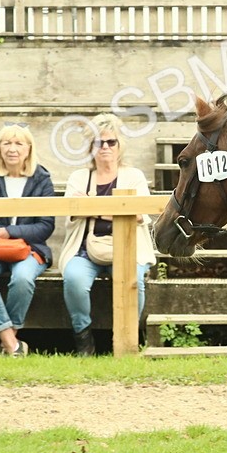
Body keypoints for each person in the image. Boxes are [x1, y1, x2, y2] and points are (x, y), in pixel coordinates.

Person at [59, 114, 156, 356]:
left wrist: (92, 206)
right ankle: (83, 339)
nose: (105, 148)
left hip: (128, 249)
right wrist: (115, 210)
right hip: (87, 249)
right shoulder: (79, 177)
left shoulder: (134, 176)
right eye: (98, 143)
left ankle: (130, 337)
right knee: (74, 279)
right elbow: (71, 213)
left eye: (110, 142)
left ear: (119, 145)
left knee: (134, 280)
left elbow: (139, 215)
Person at [0, 124, 56, 357]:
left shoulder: (42, 178)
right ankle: (12, 343)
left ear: (28, 149)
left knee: (23, 278)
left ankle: (9, 340)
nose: (12, 149)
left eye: (18, 144)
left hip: (30, 248)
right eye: (7, 143)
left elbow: (45, 226)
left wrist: (11, 232)